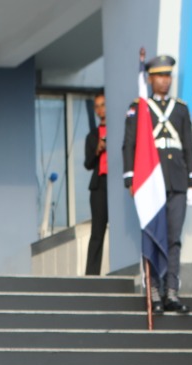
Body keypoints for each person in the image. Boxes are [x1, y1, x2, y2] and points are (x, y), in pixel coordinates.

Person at [122, 55, 192, 312]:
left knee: (174, 238)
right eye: (160, 76)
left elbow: (189, 146)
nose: (165, 81)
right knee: (153, 236)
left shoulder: (180, 109)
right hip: (151, 183)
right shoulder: (139, 107)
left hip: (176, 180)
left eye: (168, 76)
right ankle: (153, 290)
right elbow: (130, 144)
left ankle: (171, 291)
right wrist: (130, 178)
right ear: (150, 78)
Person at [83, 91, 109, 276]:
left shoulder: (119, 130)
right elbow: (87, 163)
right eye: (97, 106)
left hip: (116, 185)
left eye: (103, 104)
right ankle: (92, 275)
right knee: (97, 232)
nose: (101, 109)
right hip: (99, 186)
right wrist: (98, 150)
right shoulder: (92, 136)